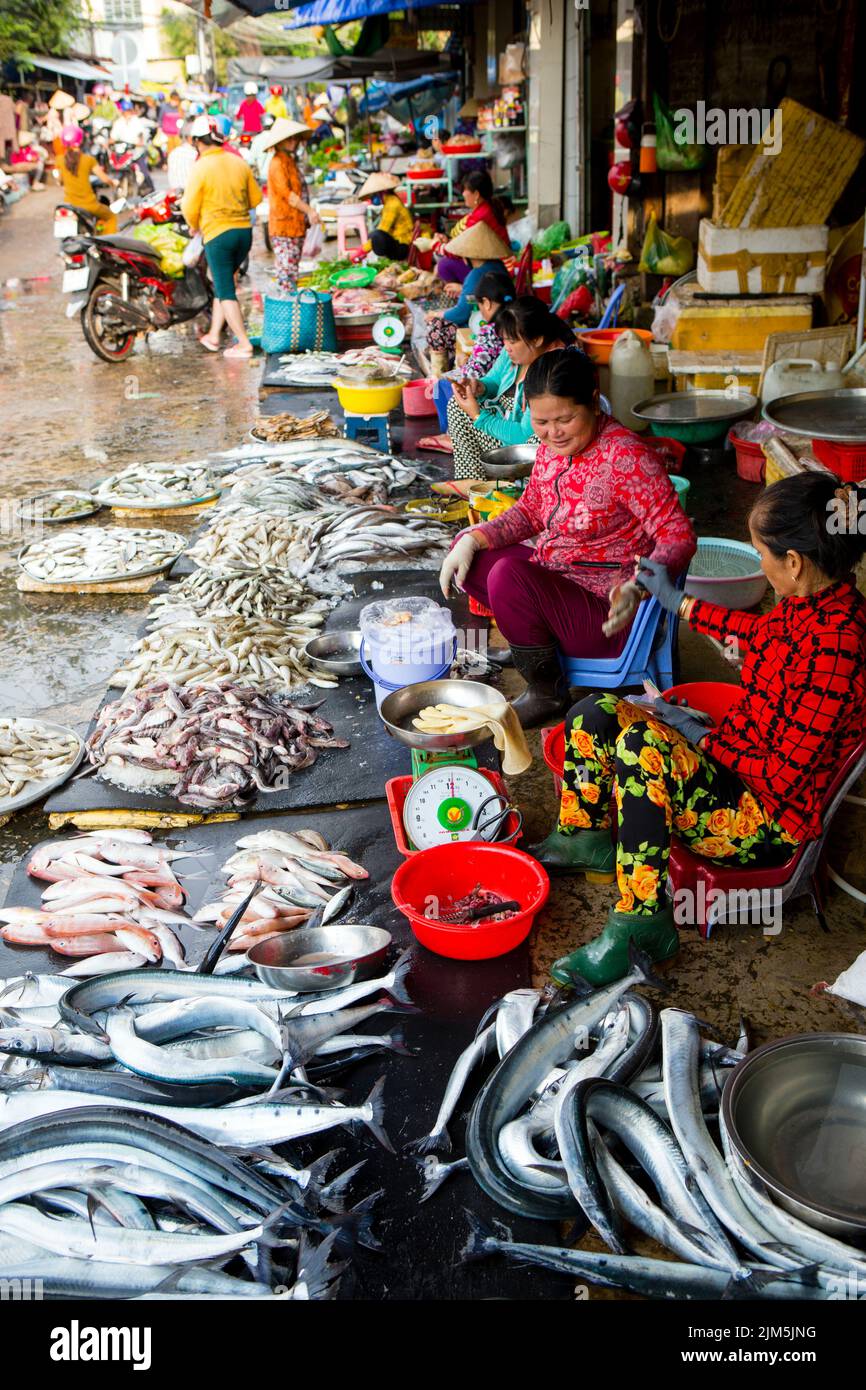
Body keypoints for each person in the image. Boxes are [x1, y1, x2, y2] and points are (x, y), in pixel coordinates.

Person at [527, 473, 866, 988]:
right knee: (594, 712)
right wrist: (675, 602)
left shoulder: (837, 649)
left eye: (761, 554)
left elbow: (784, 773)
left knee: (643, 749)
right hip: (736, 766)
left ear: (792, 562)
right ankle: (584, 837)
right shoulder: (811, 602)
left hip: (763, 821)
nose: (760, 564)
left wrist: (704, 739)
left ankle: (643, 926)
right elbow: (754, 634)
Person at [439, 347, 696, 725]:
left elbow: (678, 534)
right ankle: (534, 645)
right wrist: (472, 539)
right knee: (473, 559)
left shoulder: (626, 458)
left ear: (593, 402)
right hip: (559, 581)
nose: (552, 433)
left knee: (507, 577)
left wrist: (640, 585)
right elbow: (530, 511)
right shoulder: (550, 449)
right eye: (541, 421)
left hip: (607, 616)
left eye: (564, 419)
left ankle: (547, 690)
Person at [444, 296, 574, 485]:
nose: (507, 347)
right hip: (508, 430)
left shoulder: (553, 368)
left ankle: (524, 492)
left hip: (532, 445)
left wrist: (478, 416)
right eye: (505, 340)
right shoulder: (513, 354)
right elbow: (494, 380)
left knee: (535, 440)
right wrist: (478, 386)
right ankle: (473, 482)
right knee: (456, 406)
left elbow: (524, 435)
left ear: (537, 339)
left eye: (512, 341)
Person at [181, 115, 262, 359]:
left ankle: (244, 344)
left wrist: (194, 226)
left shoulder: (201, 167)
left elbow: (189, 207)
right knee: (223, 283)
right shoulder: (238, 162)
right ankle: (215, 335)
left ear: (197, 141)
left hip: (218, 235)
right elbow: (255, 199)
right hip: (243, 234)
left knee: (226, 290)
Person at [425, 220, 512, 375]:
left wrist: (436, 315)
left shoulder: (475, 274)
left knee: (435, 329)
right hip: (505, 319)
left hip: (482, 325)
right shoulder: (499, 266)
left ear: (468, 256)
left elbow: (461, 313)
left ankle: (439, 374)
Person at [259, 117, 317, 293]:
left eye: (295, 138)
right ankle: (287, 309)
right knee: (286, 274)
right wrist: (310, 211)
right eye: (289, 138)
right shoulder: (277, 163)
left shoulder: (289, 160)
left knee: (292, 271)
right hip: (284, 226)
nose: (293, 142)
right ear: (280, 141)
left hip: (296, 225)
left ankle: (292, 309)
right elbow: (289, 196)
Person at [437, 170, 510, 288]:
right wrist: (446, 242)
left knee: (444, 265)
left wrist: (435, 246)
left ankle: (464, 296)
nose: (463, 193)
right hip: (495, 265)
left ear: (476, 194)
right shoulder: (487, 207)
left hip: (493, 270)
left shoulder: (481, 215)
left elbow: (461, 251)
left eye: (465, 190)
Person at [56, 125, 119, 233]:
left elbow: (60, 181)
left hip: (69, 204)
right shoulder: (88, 160)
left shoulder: (59, 160)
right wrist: (113, 182)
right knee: (111, 217)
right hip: (89, 204)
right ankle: (104, 245)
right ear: (81, 141)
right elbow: (104, 179)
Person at [357, 171, 413, 260]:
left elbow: (383, 230)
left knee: (376, 236)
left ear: (382, 192)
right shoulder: (390, 200)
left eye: (374, 194)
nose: (372, 197)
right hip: (399, 241)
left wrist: (362, 251)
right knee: (372, 235)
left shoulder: (392, 204)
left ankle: (395, 258)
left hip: (403, 247)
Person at [167, 120, 198, 190]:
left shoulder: (173, 153)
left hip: (175, 194)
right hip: (190, 194)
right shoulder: (195, 155)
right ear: (190, 138)